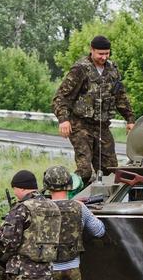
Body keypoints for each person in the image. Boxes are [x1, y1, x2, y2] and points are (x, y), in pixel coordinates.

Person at [52, 35, 136, 186]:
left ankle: (105, 202)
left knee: (111, 171)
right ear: (92, 50)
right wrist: (63, 119)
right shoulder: (80, 69)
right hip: (81, 125)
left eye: (107, 53)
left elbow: (120, 96)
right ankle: (72, 197)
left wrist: (130, 119)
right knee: (85, 171)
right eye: (100, 54)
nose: (104, 57)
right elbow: (61, 97)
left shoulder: (112, 70)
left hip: (102, 127)